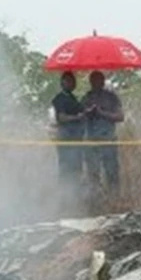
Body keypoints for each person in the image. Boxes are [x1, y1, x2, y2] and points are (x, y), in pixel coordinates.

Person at [81, 70, 125, 191]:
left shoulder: (111, 97)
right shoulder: (86, 98)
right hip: (91, 141)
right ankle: (95, 198)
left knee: (112, 172)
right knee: (93, 174)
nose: (95, 83)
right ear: (90, 82)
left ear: (103, 81)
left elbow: (120, 117)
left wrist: (102, 113)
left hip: (108, 140)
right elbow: (79, 117)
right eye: (93, 81)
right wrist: (88, 113)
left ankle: (114, 198)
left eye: (98, 80)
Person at [51, 71, 86, 201]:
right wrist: (77, 117)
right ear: (63, 82)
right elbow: (61, 118)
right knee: (66, 168)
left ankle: (76, 197)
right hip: (66, 138)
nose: (72, 83)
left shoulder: (73, 98)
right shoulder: (59, 99)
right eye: (69, 81)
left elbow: (81, 111)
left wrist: (86, 112)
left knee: (77, 168)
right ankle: (64, 197)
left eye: (73, 81)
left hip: (77, 138)